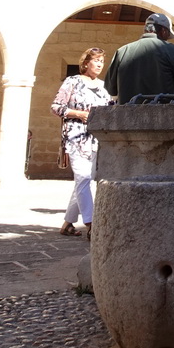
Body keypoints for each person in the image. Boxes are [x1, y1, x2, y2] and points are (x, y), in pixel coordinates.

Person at [52, 47, 113, 238]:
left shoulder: (104, 86)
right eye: (96, 60)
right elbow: (56, 107)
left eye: (102, 61)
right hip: (76, 136)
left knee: (83, 179)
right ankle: (91, 223)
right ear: (86, 63)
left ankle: (68, 223)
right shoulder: (73, 82)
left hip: (96, 138)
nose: (99, 64)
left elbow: (110, 108)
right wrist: (79, 114)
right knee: (84, 177)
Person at [103, 13, 174, 103]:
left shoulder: (122, 51)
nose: (167, 38)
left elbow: (111, 89)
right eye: (168, 35)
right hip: (162, 114)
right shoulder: (173, 51)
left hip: (128, 114)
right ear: (163, 31)